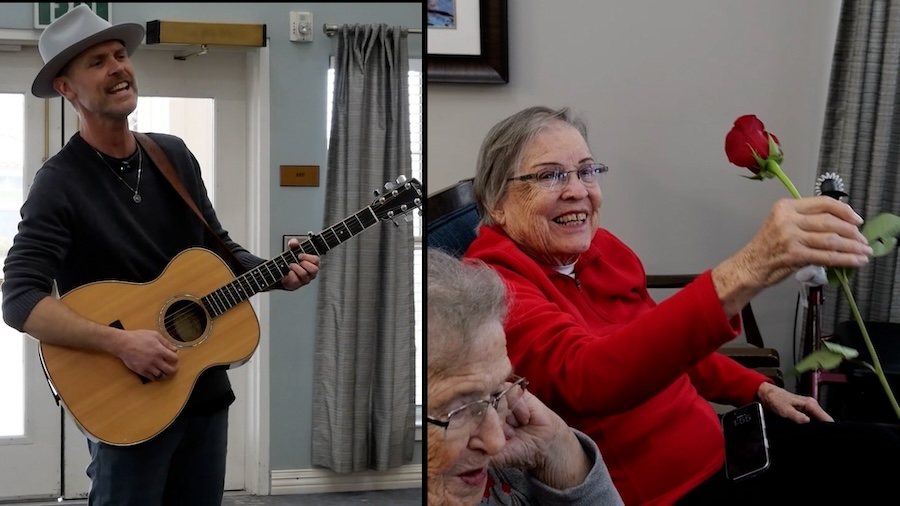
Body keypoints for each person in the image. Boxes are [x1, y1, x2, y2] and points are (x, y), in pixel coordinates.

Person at [463, 105, 900, 505]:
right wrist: (747, 269)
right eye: (550, 176)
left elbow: (666, 345)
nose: (578, 190)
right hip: (670, 493)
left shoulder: (600, 248)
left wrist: (756, 388)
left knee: (886, 446)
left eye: (587, 171)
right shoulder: (490, 287)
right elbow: (587, 377)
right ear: (496, 203)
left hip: (728, 451)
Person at [0, 6, 319, 505]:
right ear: (66, 88)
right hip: (129, 402)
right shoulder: (59, 183)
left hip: (204, 393)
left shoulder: (173, 156)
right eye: (97, 62)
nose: (117, 68)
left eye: (120, 55)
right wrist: (121, 343)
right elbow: (19, 299)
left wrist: (276, 272)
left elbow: (219, 250)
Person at [426, 247, 624, 506]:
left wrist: (560, 448)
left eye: (497, 394)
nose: (496, 442)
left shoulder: (511, 461)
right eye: (460, 410)